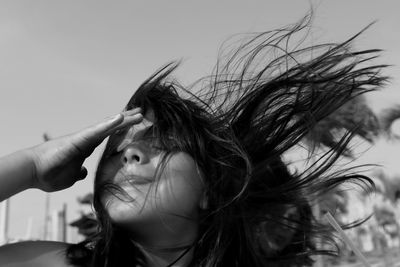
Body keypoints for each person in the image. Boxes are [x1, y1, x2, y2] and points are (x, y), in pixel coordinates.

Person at [0, 18, 388, 267]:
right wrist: (33, 165)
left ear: (207, 189)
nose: (128, 153)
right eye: (117, 149)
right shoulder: (43, 261)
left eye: (161, 145)